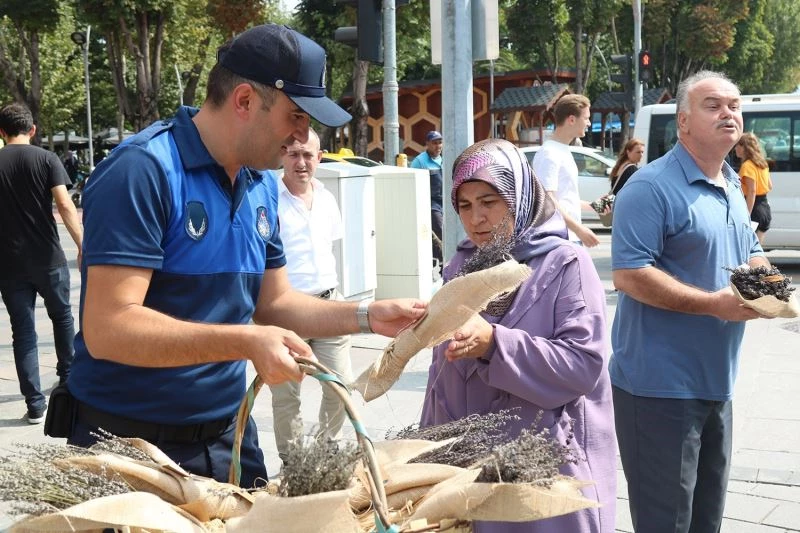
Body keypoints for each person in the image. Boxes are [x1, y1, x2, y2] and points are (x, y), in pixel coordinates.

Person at [63, 24, 425, 488]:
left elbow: (274, 304)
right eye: (296, 116)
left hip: (227, 435)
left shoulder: (259, 186)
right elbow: (108, 329)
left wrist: (366, 315)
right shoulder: (142, 171)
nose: (302, 136)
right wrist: (245, 342)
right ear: (245, 100)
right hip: (128, 444)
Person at [421, 138, 616, 532]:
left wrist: (494, 343)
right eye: (465, 205)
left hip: (547, 471)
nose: (476, 218)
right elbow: (440, 377)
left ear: (520, 196)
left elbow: (583, 366)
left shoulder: (566, 263)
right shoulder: (460, 266)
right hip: (472, 475)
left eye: (489, 201)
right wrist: (430, 455)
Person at [610, 71, 769, 532]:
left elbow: (750, 251)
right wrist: (714, 304)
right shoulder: (649, 186)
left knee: (705, 523)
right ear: (683, 122)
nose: (728, 113)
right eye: (713, 105)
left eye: (735, 105)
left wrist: (769, 282)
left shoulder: (730, 184)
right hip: (658, 388)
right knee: (668, 524)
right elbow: (630, 275)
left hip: (718, 382)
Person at [270, 127, 353, 465]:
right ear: (282, 156)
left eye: (308, 155)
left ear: (320, 158)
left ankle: (327, 448)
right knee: (287, 394)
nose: (301, 162)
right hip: (287, 309)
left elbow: (329, 249)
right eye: (293, 153)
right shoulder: (268, 198)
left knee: (340, 385)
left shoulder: (328, 198)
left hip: (329, 302)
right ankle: (295, 464)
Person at [0, 102, 83, 424]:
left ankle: (34, 404)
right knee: (62, 318)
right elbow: (64, 205)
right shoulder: (46, 159)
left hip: (8, 263)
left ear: (2, 132)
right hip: (48, 257)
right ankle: (68, 382)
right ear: (32, 129)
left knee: (22, 332)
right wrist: (81, 244)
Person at [532, 94, 599, 247]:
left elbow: (564, 198)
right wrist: (579, 229)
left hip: (568, 237)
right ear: (571, 119)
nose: (588, 123)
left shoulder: (562, 150)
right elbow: (547, 201)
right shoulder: (549, 153)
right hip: (560, 238)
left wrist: (595, 206)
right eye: (586, 118)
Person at [411, 130, 444, 274]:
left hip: (445, 203)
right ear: (427, 144)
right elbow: (411, 182)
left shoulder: (444, 159)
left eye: (440, 143)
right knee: (440, 231)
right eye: (435, 143)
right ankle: (442, 264)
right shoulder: (419, 161)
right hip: (431, 205)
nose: (438, 146)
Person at [735, 132, 772, 245]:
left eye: (737, 145)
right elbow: (770, 185)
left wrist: (746, 214)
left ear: (744, 147)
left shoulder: (747, 166)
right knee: (757, 250)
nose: (735, 148)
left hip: (754, 209)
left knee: (748, 252)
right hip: (764, 208)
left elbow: (752, 191)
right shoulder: (762, 164)